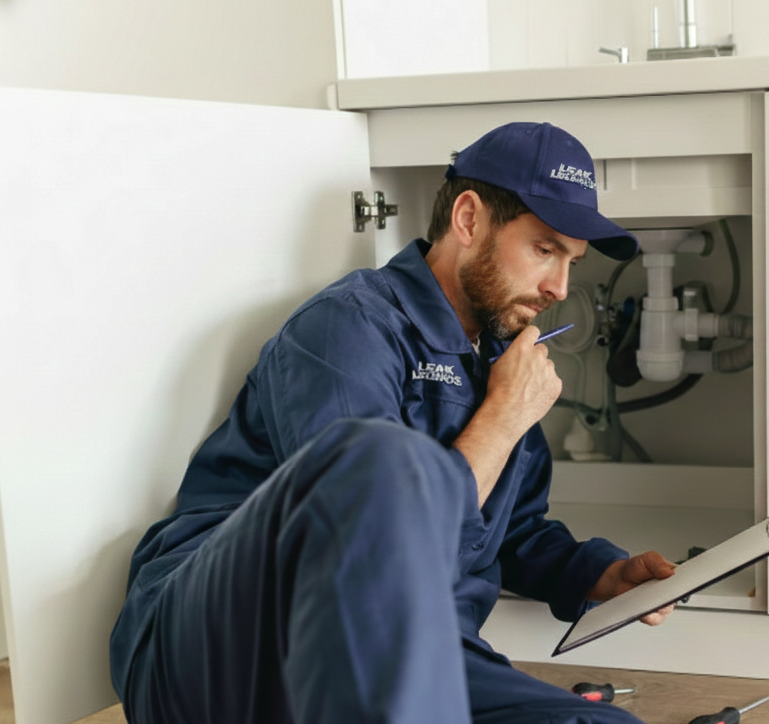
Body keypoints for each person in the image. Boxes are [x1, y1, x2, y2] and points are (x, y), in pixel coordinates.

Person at [109, 121, 676, 724]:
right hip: (228, 644)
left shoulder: (501, 361)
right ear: (468, 220)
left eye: (572, 261)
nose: (560, 288)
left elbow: (508, 532)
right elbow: (361, 531)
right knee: (380, 461)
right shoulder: (347, 328)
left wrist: (599, 574)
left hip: (406, 653)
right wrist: (502, 418)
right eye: (544, 249)